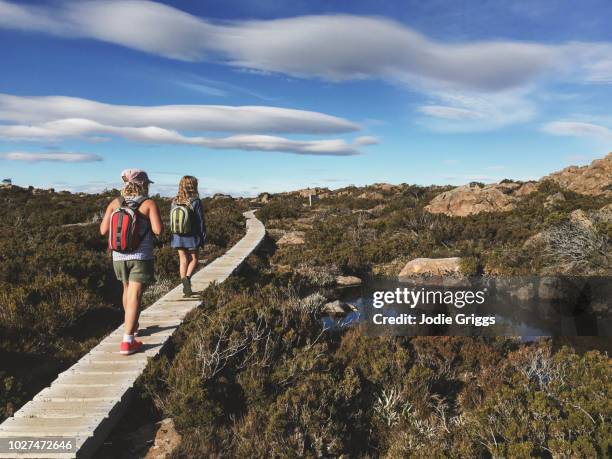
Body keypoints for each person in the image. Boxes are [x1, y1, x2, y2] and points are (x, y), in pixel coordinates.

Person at [100, 169, 162, 355]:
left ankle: (132, 327)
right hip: (140, 256)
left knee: (126, 291)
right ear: (144, 184)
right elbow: (158, 230)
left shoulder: (115, 203)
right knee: (135, 294)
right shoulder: (148, 203)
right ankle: (128, 341)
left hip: (118, 256)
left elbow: (103, 230)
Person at [170, 176, 206, 296]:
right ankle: (187, 279)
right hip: (192, 235)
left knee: (183, 260)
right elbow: (200, 221)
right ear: (193, 186)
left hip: (178, 235)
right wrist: (203, 237)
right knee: (194, 259)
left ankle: (184, 283)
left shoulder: (175, 200)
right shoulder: (196, 201)